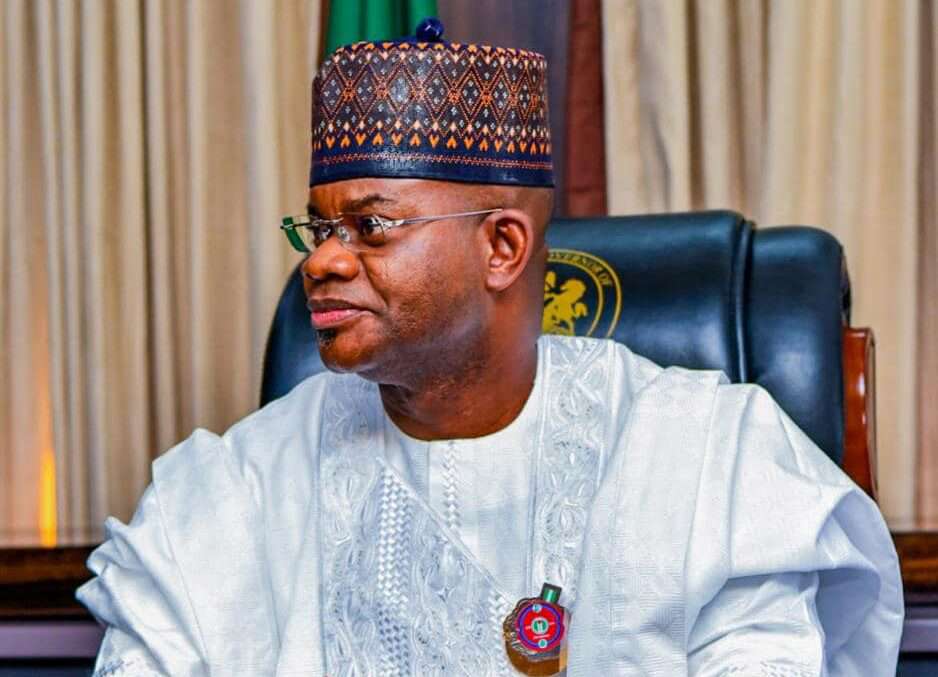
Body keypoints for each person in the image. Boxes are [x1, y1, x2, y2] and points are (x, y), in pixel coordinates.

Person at [78, 19, 903, 676]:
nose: (322, 261)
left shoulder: (707, 464)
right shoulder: (225, 496)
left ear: (502, 247)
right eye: (320, 228)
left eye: (370, 226)